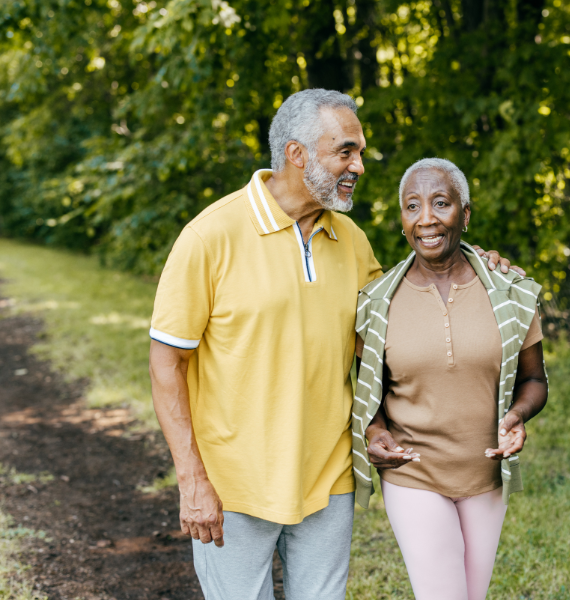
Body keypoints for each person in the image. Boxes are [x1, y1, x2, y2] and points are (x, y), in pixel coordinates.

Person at [148, 90, 517, 600]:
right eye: (345, 151)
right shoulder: (211, 236)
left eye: (359, 152)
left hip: (329, 479)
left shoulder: (352, 240)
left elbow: (384, 340)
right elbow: (168, 362)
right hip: (235, 485)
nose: (359, 166)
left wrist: (481, 268)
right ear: (297, 154)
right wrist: (192, 481)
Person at [351, 158, 549, 600]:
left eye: (441, 203)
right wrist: (375, 428)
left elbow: (535, 380)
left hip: (485, 475)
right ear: (402, 219)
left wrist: (517, 415)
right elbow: (369, 395)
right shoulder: (377, 302)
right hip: (413, 474)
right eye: (412, 206)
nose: (426, 219)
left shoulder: (511, 292)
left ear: (465, 213)